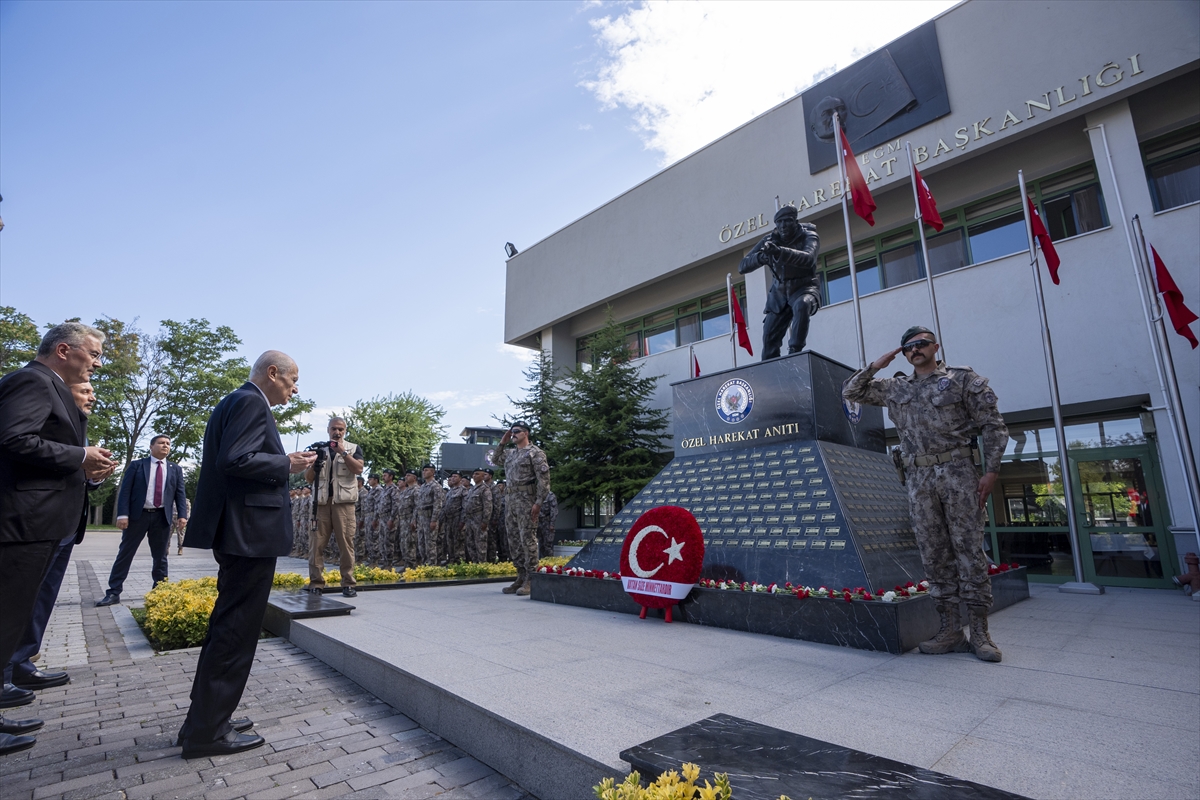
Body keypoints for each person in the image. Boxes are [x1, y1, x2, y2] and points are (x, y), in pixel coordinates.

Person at [175, 350, 316, 758]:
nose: (294, 389)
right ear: (272, 373)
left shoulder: (238, 400)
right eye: (292, 381)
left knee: (228, 626)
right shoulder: (251, 401)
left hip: (241, 532)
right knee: (236, 631)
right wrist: (285, 463)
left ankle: (203, 719)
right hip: (248, 533)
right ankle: (208, 733)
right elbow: (236, 460)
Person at [842, 326, 1009, 662]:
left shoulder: (962, 380)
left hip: (959, 473)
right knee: (934, 554)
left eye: (920, 345)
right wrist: (878, 364)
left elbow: (993, 425)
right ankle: (950, 631)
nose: (914, 350)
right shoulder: (896, 386)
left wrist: (991, 471)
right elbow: (852, 390)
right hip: (918, 479)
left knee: (969, 551)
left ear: (935, 347)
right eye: (907, 347)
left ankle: (980, 633)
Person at [0, 322, 114, 756]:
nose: (98, 363)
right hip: (23, 525)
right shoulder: (32, 380)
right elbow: (12, 440)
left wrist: (84, 466)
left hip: (43, 525)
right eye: (95, 354)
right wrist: (79, 455)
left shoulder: (52, 387)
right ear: (64, 350)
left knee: (13, 618)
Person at [5, 382, 110, 695]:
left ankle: (22, 662)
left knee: (41, 600)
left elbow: (66, 472)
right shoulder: (42, 417)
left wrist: (91, 478)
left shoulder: (77, 430)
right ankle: (6, 672)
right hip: (35, 524)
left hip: (64, 527)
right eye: (86, 390)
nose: (92, 395)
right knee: (19, 602)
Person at [95, 435, 188, 606]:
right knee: (125, 554)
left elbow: (180, 494)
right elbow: (125, 491)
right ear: (151, 447)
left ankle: (160, 593)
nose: (165, 446)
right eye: (161, 443)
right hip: (138, 516)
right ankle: (113, 592)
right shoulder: (137, 465)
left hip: (162, 517)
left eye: (168, 444)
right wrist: (123, 515)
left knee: (161, 557)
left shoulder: (175, 469)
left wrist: (183, 515)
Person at [738, 204, 821, 360]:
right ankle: (770, 375)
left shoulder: (809, 235)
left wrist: (779, 252)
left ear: (795, 221)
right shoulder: (770, 239)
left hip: (803, 287)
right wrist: (761, 257)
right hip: (779, 294)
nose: (783, 226)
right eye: (779, 222)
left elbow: (808, 258)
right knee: (769, 340)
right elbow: (742, 266)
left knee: (802, 305)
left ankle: (795, 355)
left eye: (787, 221)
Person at [304, 417, 364, 597]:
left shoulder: (353, 448)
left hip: (343, 505)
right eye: (333, 429)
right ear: (328, 430)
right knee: (316, 544)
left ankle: (348, 583)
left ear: (345, 431)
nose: (337, 432)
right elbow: (308, 478)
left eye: (340, 429)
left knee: (346, 544)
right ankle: (316, 583)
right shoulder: (318, 449)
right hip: (321, 504)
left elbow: (359, 469)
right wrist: (314, 463)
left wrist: (343, 453)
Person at [495, 422, 550, 596]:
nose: (513, 435)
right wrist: (502, 443)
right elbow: (495, 460)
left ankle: (531, 578)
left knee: (527, 538)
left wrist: (538, 502)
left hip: (527, 499)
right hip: (511, 500)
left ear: (526, 433)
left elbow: (544, 480)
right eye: (512, 432)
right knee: (513, 539)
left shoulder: (536, 453)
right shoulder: (511, 453)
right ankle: (520, 575)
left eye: (516, 432)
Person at [414, 465, 444, 565]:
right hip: (421, 518)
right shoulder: (422, 487)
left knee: (430, 544)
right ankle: (424, 563)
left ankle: (431, 566)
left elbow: (437, 504)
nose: (424, 472)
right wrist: (415, 519)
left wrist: (434, 520)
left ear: (432, 472)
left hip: (429, 517)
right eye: (423, 470)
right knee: (421, 543)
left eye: (426, 470)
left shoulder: (436, 486)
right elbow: (418, 504)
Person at [462, 468, 493, 564]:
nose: (474, 476)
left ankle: (482, 564)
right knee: (470, 543)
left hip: (479, 519)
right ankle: (475, 563)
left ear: (483, 476)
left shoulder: (485, 489)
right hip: (470, 520)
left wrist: (485, 521)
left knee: (480, 543)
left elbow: (488, 506)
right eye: (474, 474)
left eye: (477, 474)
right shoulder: (472, 489)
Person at [396, 471, 419, 569]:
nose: (406, 477)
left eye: (408, 475)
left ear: (414, 478)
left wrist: (414, 520)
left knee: (410, 543)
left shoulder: (416, 490)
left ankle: (411, 566)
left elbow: (417, 506)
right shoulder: (406, 490)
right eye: (405, 475)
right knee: (403, 543)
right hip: (403, 520)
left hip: (410, 520)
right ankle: (406, 565)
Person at [538, 489, 559, 558]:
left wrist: (552, 524)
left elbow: (554, 511)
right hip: (538, 523)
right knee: (540, 545)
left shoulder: (550, 496)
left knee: (548, 545)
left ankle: (549, 563)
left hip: (547, 522)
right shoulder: (536, 494)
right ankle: (541, 563)